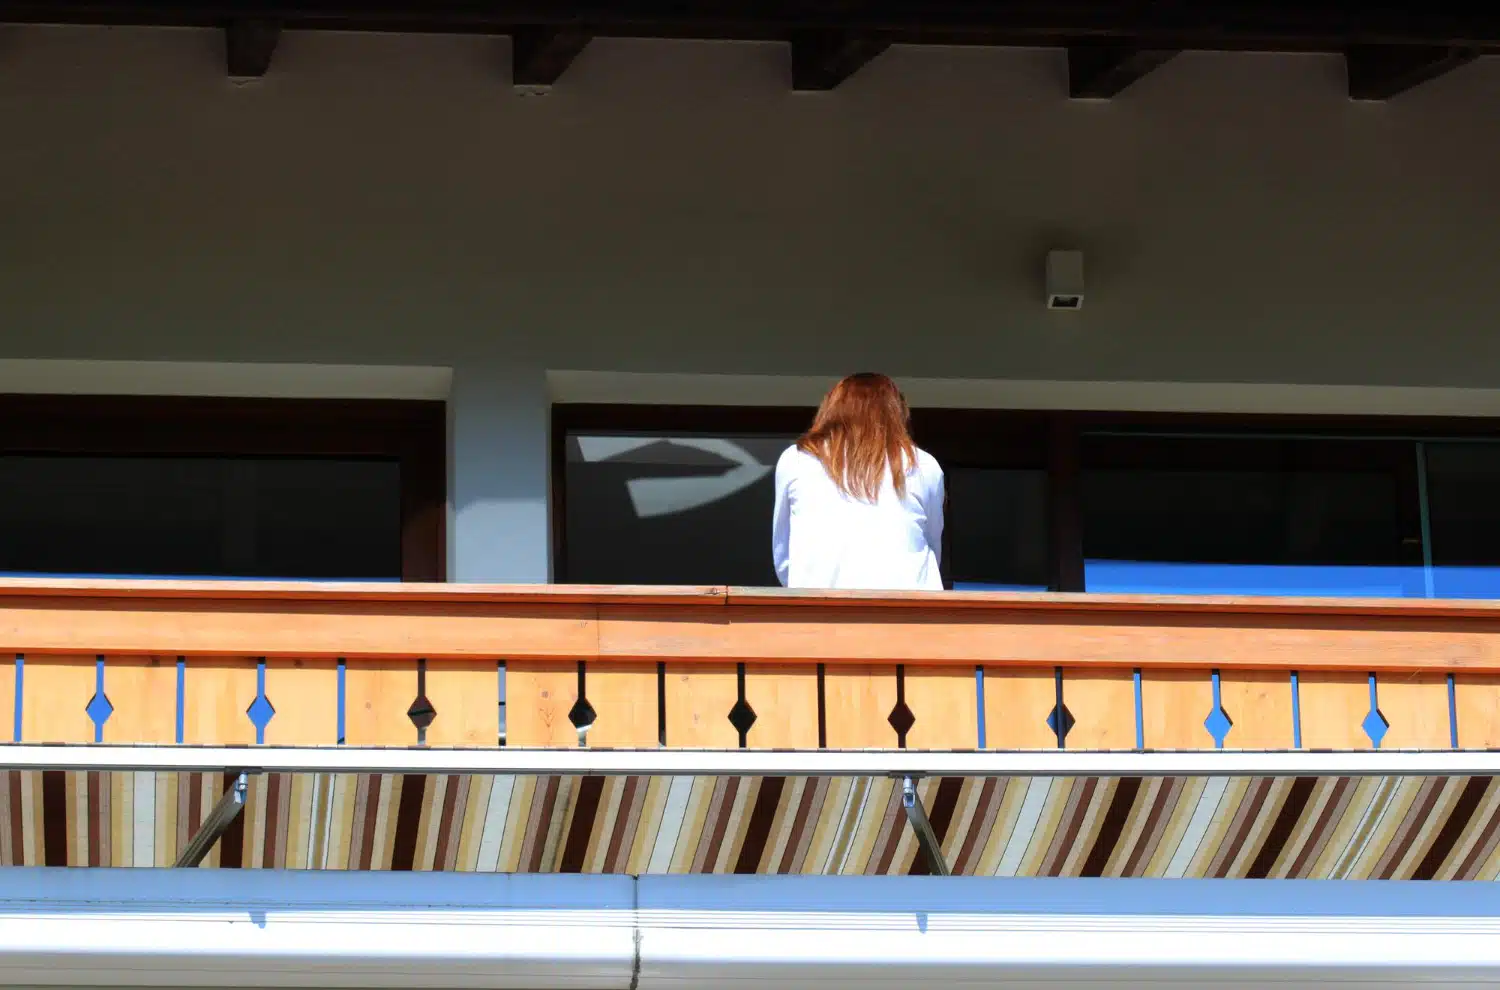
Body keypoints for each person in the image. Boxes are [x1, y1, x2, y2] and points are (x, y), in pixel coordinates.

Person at [772, 373, 945, 590]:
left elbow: (784, 557)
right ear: (895, 414)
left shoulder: (797, 459)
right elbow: (932, 547)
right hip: (909, 614)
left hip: (819, 612)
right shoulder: (921, 464)